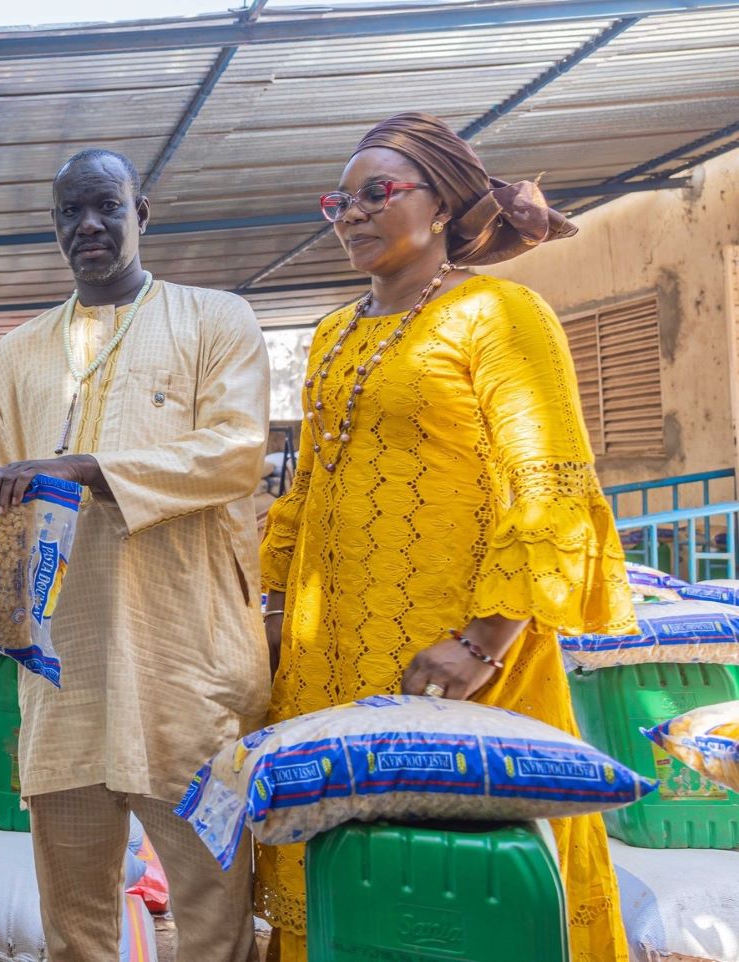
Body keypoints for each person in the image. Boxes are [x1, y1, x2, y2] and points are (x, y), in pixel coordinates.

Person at [256, 113, 635, 962]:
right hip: (332, 659)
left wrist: (481, 641)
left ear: (445, 203)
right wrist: (278, 609)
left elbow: (550, 482)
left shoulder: (500, 313)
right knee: (346, 870)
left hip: (461, 658)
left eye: (377, 193)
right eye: (338, 201)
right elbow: (306, 488)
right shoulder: (332, 334)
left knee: (470, 886)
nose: (352, 214)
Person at [0, 149, 271, 962]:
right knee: (75, 924)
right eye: (70, 213)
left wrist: (87, 468)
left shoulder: (217, 319)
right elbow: (6, 514)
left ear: (144, 211)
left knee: (213, 908)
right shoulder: (18, 355)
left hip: (184, 666)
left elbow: (235, 454)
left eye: (106, 207)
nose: (89, 227)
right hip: (63, 674)